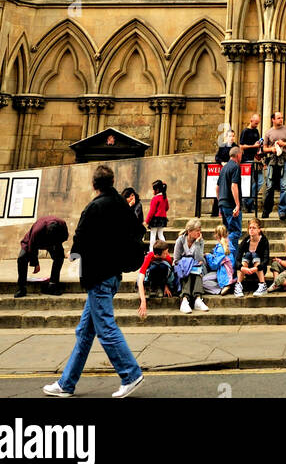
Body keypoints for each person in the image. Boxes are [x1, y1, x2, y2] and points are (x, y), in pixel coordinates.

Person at [43, 162, 144, 399]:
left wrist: (73, 255)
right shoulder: (121, 204)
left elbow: (79, 240)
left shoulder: (94, 207)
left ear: (93, 184)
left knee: (106, 329)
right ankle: (66, 383)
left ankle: (130, 374)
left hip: (98, 276)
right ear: (111, 182)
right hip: (113, 275)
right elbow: (137, 230)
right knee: (85, 332)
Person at [16, 215, 69, 297]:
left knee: (60, 256)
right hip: (33, 241)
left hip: (54, 242)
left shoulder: (62, 225)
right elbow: (32, 246)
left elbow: (65, 237)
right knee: (22, 258)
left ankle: (52, 284)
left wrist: (56, 246)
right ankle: (22, 288)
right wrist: (35, 263)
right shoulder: (37, 231)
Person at [261, 111, 286, 221]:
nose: (281, 120)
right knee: (270, 185)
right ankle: (267, 209)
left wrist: (283, 144)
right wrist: (271, 149)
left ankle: (282, 211)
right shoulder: (268, 132)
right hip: (272, 160)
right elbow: (264, 148)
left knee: (284, 186)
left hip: (285, 159)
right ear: (273, 119)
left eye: (281, 118)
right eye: (278, 118)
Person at [173, 220, 209, 313]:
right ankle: (185, 300)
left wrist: (197, 243)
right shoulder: (180, 240)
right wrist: (186, 264)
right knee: (188, 269)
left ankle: (198, 299)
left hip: (197, 267)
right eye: (197, 230)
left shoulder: (200, 241)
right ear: (189, 231)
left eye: (200, 230)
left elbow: (199, 258)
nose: (199, 233)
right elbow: (176, 259)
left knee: (197, 269)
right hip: (182, 268)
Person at [136, 241, 177, 313]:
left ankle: (159, 287)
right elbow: (140, 278)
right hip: (151, 276)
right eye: (165, 253)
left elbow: (169, 273)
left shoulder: (167, 258)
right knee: (153, 267)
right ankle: (149, 286)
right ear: (157, 255)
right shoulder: (149, 257)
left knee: (164, 266)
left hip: (162, 278)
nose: (167, 254)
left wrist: (166, 286)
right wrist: (143, 301)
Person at [216, 144, 242, 258]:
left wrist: (220, 203)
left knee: (227, 231)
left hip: (223, 203)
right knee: (235, 232)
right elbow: (234, 186)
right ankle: (232, 260)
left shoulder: (224, 168)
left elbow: (217, 188)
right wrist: (237, 204)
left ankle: (224, 254)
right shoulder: (235, 167)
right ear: (238, 155)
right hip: (231, 205)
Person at [235, 218, 270, 295]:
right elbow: (237, 260)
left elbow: (266, 260)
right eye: (250, 228)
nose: (251, 230)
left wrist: (256, 268)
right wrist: (242, 268)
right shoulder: (245, 241)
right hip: (247, 271)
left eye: (254, 228)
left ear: (259, 230)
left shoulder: (264, 241)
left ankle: (262, 284)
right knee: (247, 254)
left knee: (254, 254)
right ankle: (238, 285)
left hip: (260, 270)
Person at [239, 113, 263, 213]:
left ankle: (248, 200)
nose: (256, 125)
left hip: (256, 159)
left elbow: (258, 145)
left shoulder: (256, 131)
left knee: (260, 181)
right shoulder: (245, 131)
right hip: (247, 159)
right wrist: (253, 146)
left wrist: (259, 151)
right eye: (255, 123)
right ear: (251, 120)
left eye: (258, 123)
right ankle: (247, 202)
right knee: (249, 182)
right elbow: (241, 146)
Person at [203, 226, 236, 296]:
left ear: (217, 235)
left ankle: (222, 288)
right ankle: (226, 285)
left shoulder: (221, 248)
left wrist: (208, 256)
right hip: (229, 271)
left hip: (224, 273)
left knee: (203, 281)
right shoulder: (229, 244)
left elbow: (214, 265)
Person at [146, 180, 168, 247]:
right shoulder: (165, 198)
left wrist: (147, 220)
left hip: (155, 219)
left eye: (153, 190)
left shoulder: (155, 199)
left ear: (157, 190)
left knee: (153, 235)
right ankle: (164, 248)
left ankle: (151, 251)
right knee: (161, 234)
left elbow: (152, 211)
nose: (153, 191)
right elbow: (167, 208)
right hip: (163, 219)